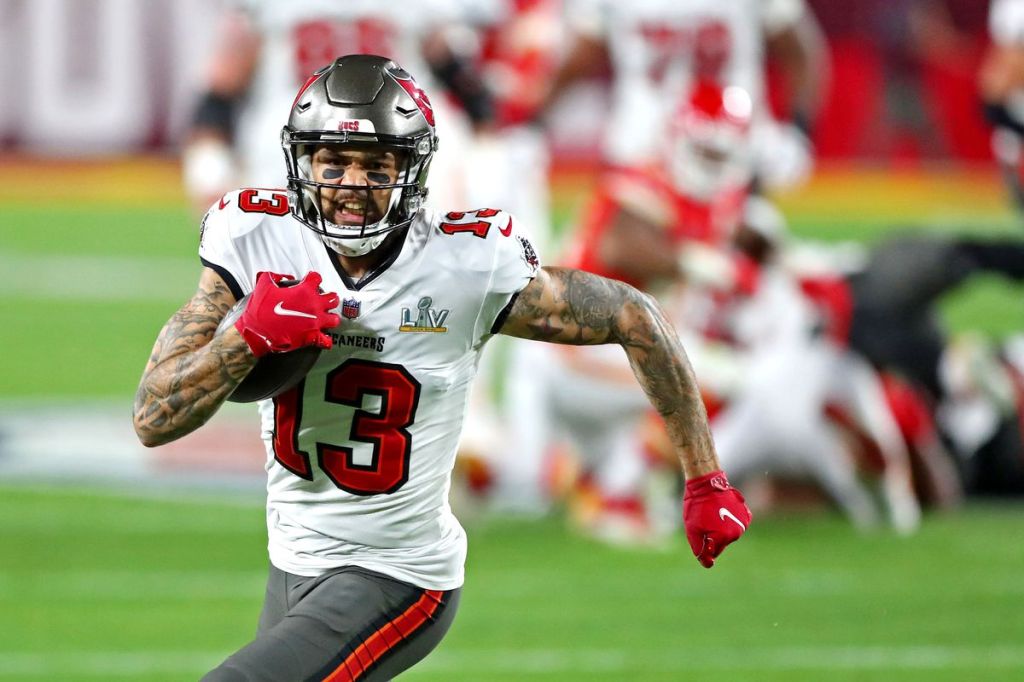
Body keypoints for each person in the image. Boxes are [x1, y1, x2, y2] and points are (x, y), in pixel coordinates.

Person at [133, 55, 751, 681]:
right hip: (292, 560)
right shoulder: (257, 236)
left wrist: (704, 476)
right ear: (303, 164)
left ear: (413, 170)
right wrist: (244, 339)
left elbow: (633, 314)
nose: (352, 185)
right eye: (334, 162)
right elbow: (154, 417)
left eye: (378, 166)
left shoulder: (464, 264)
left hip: (397, 574)